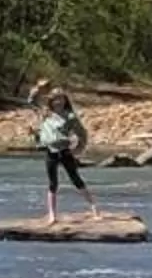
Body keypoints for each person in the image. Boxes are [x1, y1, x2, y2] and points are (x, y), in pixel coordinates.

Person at [31, 83, 100, 223]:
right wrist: (37, 88)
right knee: (52, 183)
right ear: (51, 101)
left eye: (62, 99)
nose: (59, 102)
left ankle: (94, 208)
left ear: (65, 100)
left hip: (64, 151)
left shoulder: (70, 116)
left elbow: (82, 134)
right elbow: (31, 100)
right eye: (56, 99)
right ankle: (52, 215)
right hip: (50, 151)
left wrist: (79, 148)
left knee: (76, 180)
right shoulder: (46, 113)